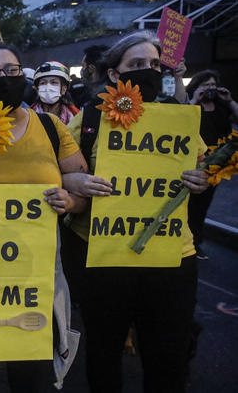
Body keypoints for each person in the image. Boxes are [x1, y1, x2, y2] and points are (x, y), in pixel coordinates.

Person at [63, 31, 209, 393]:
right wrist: (76, 180)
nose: (149, 70)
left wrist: (200, 179)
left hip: (172, 258)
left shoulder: (178, 117)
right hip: (105, 257)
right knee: (104, 352)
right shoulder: (92, 118)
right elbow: (60, 169)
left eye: (155, 64)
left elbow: (203, 167)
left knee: (167, 357)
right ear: (114, 74)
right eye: (137, 64)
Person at [0, 43, 87, 392]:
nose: (5, 78)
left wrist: (70, 201)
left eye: (12, 70)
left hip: (35, 275)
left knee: (31, 374)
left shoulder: (50, 126)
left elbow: (79, 188)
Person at [185, 69, 238, 259]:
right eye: (205, 85)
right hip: (193, 163)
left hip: (215, 165)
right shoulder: (191, 104)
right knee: (189, 206)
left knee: (202, 207)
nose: (210, 88)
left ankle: (196, 243)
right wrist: (194, 101)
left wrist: (230, 100)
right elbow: (181, 121)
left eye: (213, 85)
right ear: (197, 86)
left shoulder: (222, 106)